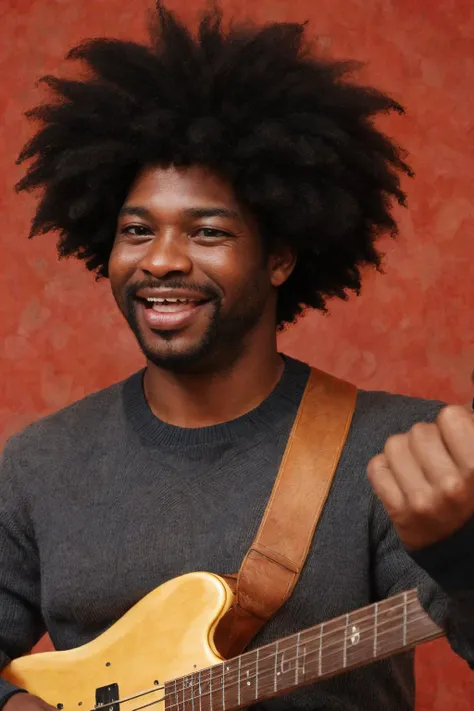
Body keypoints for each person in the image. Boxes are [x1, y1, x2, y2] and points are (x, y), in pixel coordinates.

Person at [1, 4, 473, 711]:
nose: (161, 258)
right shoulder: (39, 463)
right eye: (137, 229)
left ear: (279, 257)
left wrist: (462, 551)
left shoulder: (404, 454)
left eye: (207, 231)